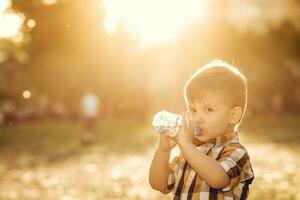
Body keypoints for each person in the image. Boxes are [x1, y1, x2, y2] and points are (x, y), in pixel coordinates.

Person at [149, 60, 254, 199]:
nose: (198, 118)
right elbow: (158, 184)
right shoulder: (189, 152)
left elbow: (218, 179)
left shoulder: (236, 152)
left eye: (208, 109)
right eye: (193, 110)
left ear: (233, 115)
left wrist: (186, 145)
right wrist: (163, 150)